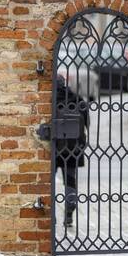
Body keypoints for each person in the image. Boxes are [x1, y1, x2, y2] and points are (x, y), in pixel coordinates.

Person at [54, 69, 90, 229]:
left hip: (53, 147)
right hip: (73, 147)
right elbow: (87, 123)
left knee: (49, 181)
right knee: (70, 179)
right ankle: (69, 210)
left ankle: (49, 216)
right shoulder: (77, 99)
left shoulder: (49, 100)